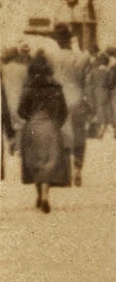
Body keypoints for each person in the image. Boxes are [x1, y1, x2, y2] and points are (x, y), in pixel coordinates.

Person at [17, 53, 69, 212]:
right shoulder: (56, 88)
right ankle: (46, 195)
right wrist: (56, 124)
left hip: (33, 126)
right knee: (49, 162)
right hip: (51, 127)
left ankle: (39, 194)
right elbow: (64, 111)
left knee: (34, 162)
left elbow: (21, 111)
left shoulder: (28, 89)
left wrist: (30, 118)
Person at [48, 23, 90, 186]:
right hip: (77, 98)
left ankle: (64, 171)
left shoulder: (50, 57)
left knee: (60, 134)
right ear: (70, 40)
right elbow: (87, 81)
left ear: (56, 41)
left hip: (57, 100)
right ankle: (78, 167)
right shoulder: (82, 57)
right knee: (79, 134)